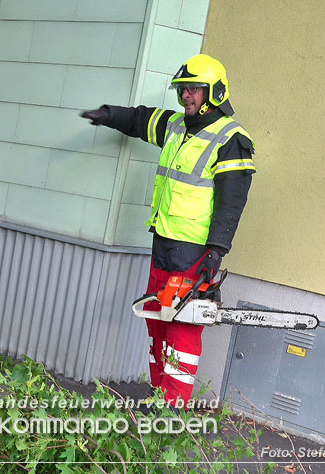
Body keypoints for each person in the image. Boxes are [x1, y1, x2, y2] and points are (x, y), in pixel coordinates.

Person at [81, 54, 256, 409]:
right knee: (157, 322)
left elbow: (232, 201)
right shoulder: (178, 126)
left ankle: (174, 409)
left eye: (193, 89)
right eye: (182, 90)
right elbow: (141, 119)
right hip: (163, 245)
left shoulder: (231, 139)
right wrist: (108, 115)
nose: (186, 96)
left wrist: (216, 251)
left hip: (194, 253)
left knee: (181, 330)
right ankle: (159, 397)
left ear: (214, 93)